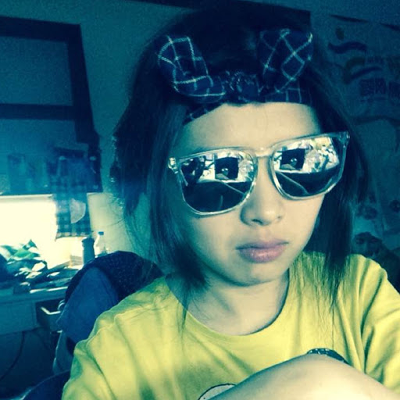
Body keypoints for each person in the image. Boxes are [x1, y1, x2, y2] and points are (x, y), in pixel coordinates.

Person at [62, 3, 400, 399]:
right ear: (156, 182)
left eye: (301, 160)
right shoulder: (115, 354)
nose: (266, 211)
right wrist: (311, 382)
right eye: (218, 171)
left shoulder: (361, 294)